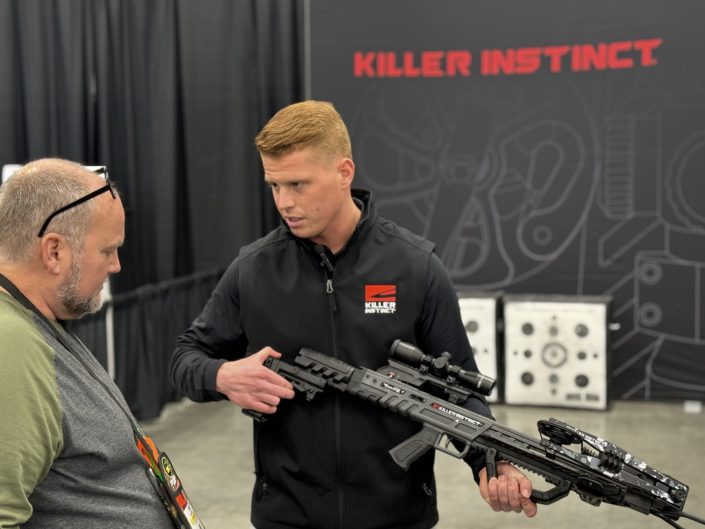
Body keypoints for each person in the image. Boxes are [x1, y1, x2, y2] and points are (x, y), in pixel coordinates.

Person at [170, 100, 537, 529]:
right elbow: (186, 358)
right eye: (274, 186)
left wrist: (490, 463)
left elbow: (459, 389)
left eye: (298, 184)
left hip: (397, 516)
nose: (284, 202)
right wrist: (221, 376)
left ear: (345, 172)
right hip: (288, 516)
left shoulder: (415, 267)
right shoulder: (253, 269)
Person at [0, 159, 174, 528]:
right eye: (107, 251)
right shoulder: (9, 345)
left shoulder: (37, 320)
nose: (116, 266)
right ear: (54, 252)